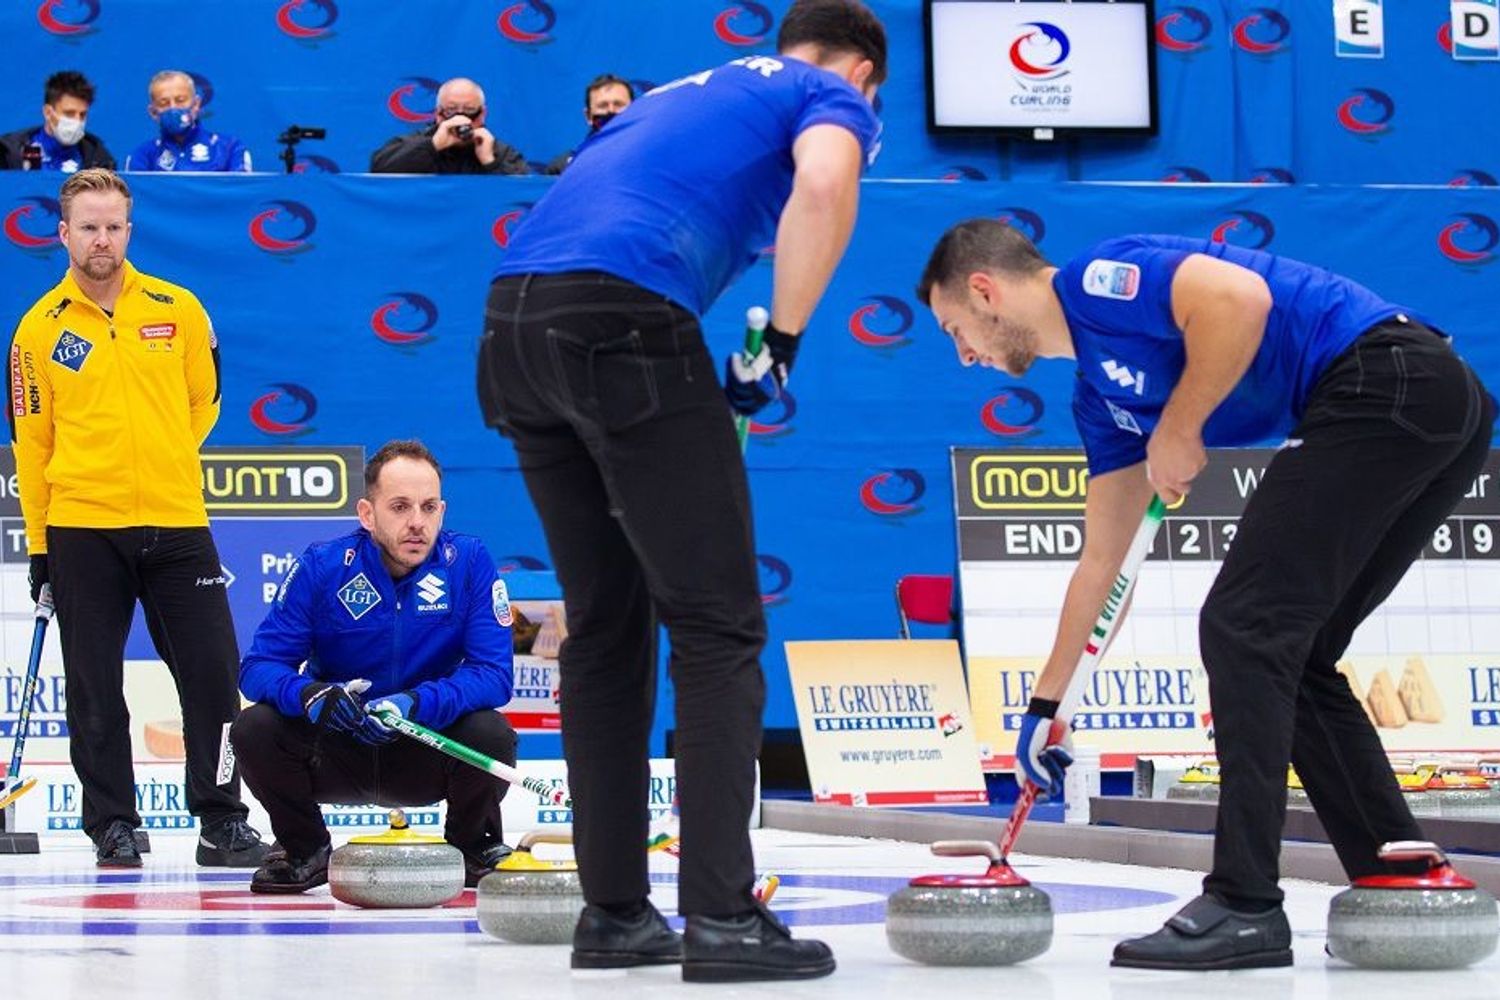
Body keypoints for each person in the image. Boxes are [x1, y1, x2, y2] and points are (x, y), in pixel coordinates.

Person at [916, 218, 1496, 971]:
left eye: (957, 329)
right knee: (1299, 651)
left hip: (1390, 378)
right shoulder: (1101, 400)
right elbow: (1104, 563)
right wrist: (1046, 709)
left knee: (1242, 625)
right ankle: (1399, 872)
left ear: (986, 291)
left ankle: (1245, 902)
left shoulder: (1100, 283)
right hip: (1431, 405)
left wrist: (1181, 427)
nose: (965, 357)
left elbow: (1238, 298)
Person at [478, 0, 885, 982]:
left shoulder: (672, 100)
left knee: (608, 627)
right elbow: (825, 187)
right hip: (622, 319)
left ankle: (614, 914)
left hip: (511, 330)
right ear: (862, 72)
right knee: (718, 626)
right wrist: (781, 343)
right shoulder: (828, 91)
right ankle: (721, 916)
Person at [8, 168, 267, 868]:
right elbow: (32, 446)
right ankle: (113, 827)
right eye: (87, 226)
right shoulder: (37, 330)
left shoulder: (178, 308)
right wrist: (40, 546)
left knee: (214, 677)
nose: (102, 239)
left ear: (130, 229)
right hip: (82, 528)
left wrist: (160, 460)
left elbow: (203, 402)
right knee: (95, 686)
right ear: (63, 233)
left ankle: (222, 820)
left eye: (113, 225)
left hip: (178, 522)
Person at [233, 440, 517, 894]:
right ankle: (304, 848)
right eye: (400, 507)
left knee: (490, 732)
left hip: (424, 742)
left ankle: (470, 845)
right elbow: (259, 667)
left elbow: (494, 674)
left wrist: (416, 703)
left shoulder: (468, 562)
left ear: (442, 511)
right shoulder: (323, 566)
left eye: (428, 508)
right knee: (253, 728)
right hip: (339, 745)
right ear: (367, 514)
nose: (417, 524)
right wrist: (311, 696)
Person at [369, 77, 528, 175]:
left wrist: (489, 162)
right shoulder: (411, 143)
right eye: (451, 110)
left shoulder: (501, 152)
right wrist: (433, 146)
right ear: (438, 114)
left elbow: (519, 194)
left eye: (470, 110)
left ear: (482, 114)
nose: (460, 117)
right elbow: (379, 170)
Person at [123, 70, 252, 172]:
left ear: (196, 104)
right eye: (164, 103)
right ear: (153, 112)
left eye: (180, 100)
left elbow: (241, 197)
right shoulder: (143, 155)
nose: (173, 108)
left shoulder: (229, 148)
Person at [0, 70, 116, 173]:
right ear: (48, 112)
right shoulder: (9, 154)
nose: (77, 121)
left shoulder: (99, 160)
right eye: (69, 113)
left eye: (82, 114)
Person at [543, 73, 634, 175]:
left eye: (619, 104)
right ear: (588, 116)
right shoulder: (562, 167)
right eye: (602, 105)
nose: (611, 110)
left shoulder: (650, 161)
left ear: (635, 111)